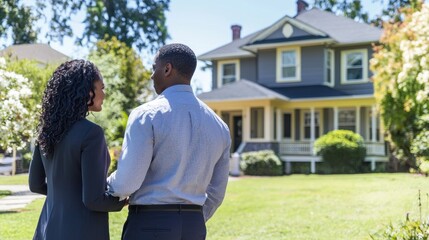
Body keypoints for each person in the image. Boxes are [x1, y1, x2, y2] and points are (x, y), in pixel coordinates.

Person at [107, 43, 231, 240]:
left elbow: (127, 183)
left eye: (153, 68)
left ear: (167, 69)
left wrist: (103, 185)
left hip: (150, 223)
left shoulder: (146, 115)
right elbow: (216, 192)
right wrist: (191, 217)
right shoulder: (220, 126)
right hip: (194, 226)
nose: (151, 75)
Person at [29, 59, 126, 240]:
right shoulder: (92, 133)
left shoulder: (45, 130)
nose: (104, 94)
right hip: (82, 231)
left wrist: (64, 195)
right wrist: (123, 200)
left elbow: (35, 184)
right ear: (88, 92)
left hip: (46, 230)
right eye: (101, 88)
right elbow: (93, 200)